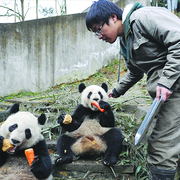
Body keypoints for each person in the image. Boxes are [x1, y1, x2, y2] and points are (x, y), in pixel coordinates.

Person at [86, 0, 180, 179]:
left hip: (175, 86)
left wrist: (166, 81)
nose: (99, 36)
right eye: (95, 33)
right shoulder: (125, 41)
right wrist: (117, 90)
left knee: (161, 147)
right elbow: (135, 73)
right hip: (165, 94)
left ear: (113, 18)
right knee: (156, 138)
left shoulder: (144, 18)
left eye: (98, 29)